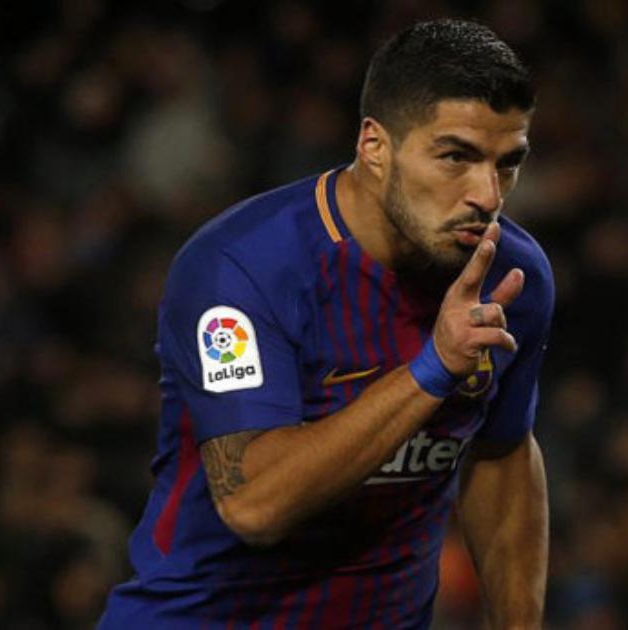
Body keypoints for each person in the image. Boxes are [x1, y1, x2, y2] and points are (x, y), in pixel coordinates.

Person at [99, 19, 552, 629]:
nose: (488, 195)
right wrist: (433, 369)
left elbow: (503, 452)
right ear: (375, 146)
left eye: (508, 163)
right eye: (456, 157)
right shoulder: (241, 268)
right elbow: (254, 506)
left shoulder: (514, 276)